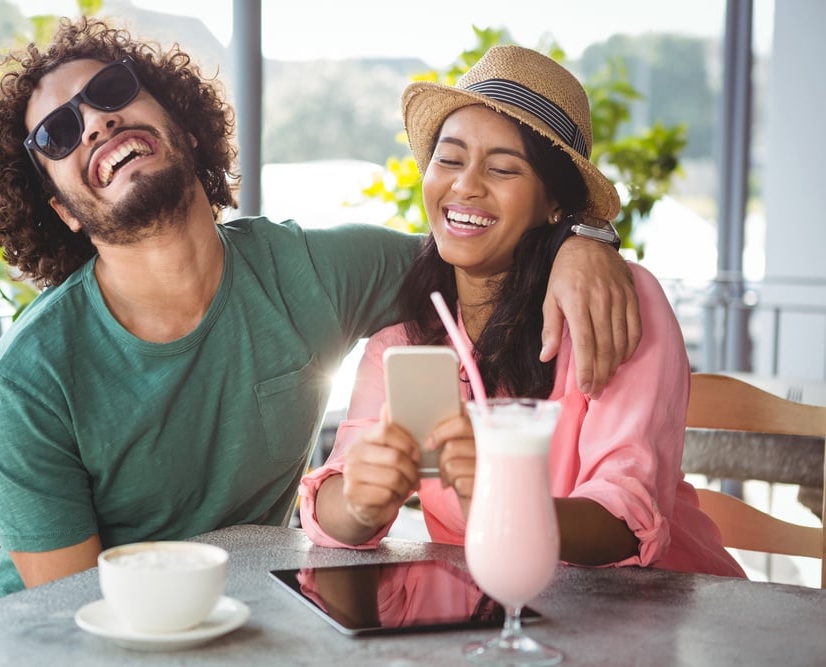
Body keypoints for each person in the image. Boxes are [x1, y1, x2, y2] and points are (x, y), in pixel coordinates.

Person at [0, 17, 642, 602]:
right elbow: (73, 615)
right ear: (61, 213)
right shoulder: (29, 378)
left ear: (185, 126)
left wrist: (583, 238)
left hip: (251, 619)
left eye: (110, 91)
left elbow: (484, 247)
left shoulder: (310, 271)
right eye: (57, 133)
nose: (95, 122)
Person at [299, 44, 744, 578]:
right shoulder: (402, 348)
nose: (465, 184)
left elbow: (628, 517)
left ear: (554, 203)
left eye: (504, 168)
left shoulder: (615, 303)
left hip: (660, 614)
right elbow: (334, 505)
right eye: (449, 158)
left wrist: (508, 503)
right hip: (500, 617)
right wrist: (356, 503)